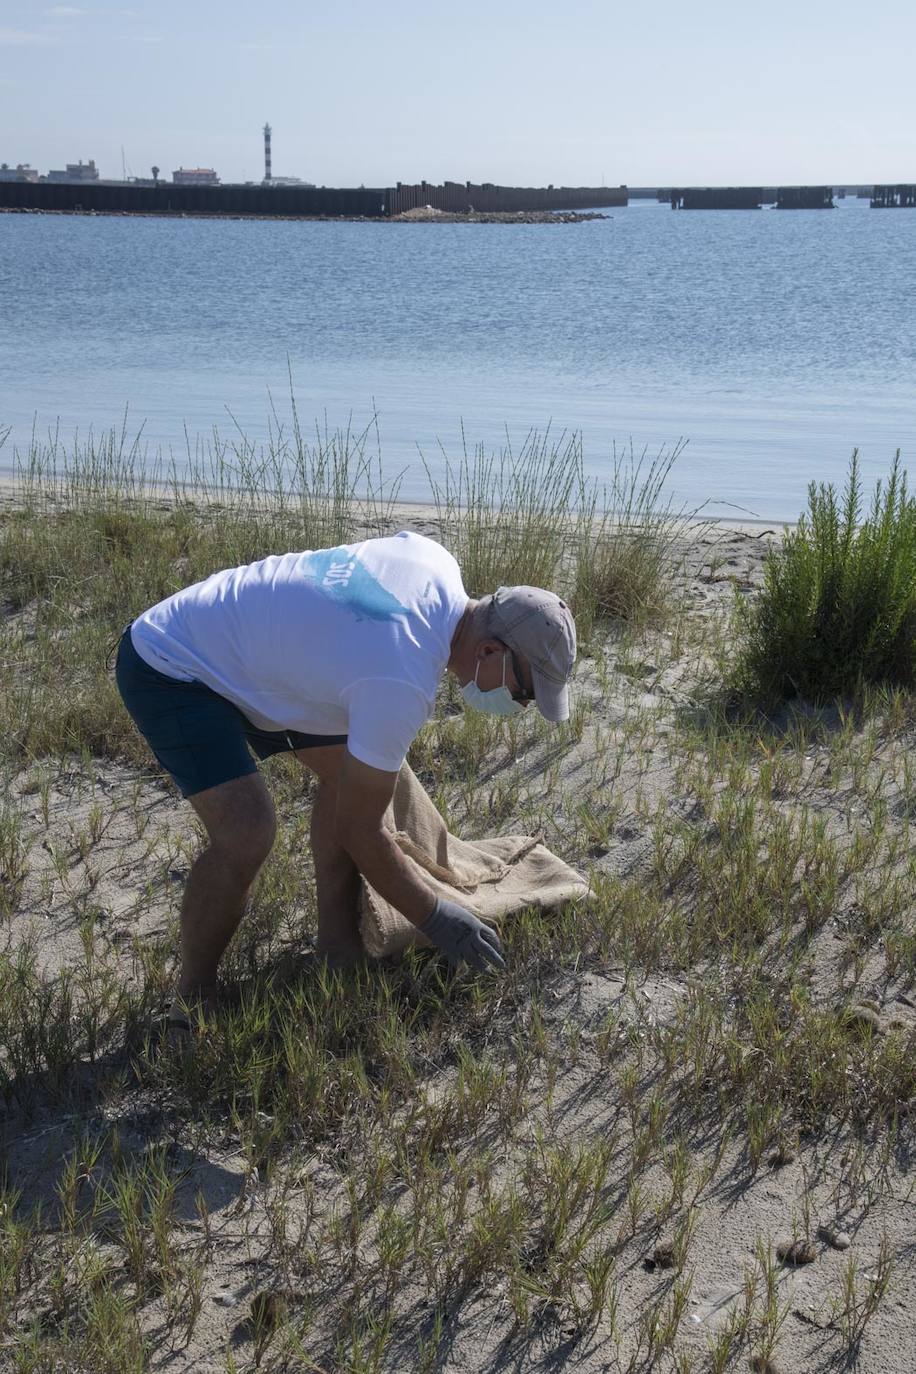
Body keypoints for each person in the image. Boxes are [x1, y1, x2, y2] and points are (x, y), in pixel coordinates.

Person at [115, 530, 576, 1031]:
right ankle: (193, 999)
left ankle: (337, 948)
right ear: (489, 651)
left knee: (348, 779)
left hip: (262, 658)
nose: (519, 705)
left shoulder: (436, 562)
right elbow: (361, 830)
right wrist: (435, 918)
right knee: (247, 832)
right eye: (524, 691)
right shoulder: (400, 676)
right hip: (173, 662)